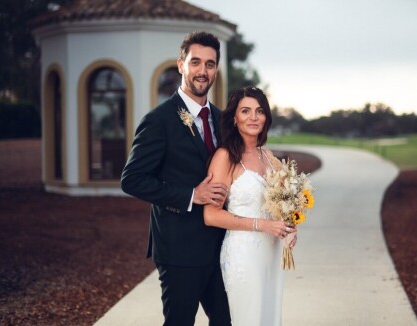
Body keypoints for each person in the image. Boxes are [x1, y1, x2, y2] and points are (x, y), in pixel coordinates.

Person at [121, 31, 231, 326]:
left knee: (226, 321)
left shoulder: (223, 120)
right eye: (196, 62)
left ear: (216, 69)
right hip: (179, 247)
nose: (202, 71)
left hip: (221, 246)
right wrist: (191, 195)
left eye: (210, 64)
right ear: (181, 64)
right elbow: (132, 179)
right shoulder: (159, 120)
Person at [204, 86, 297, 326]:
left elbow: (283, 203)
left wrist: (290, 225)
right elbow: (211, 215)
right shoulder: (225, 157)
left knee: (268, 317)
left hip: (272, 254)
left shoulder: (268, 156)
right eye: (246, 111)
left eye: (259, 111)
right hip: (244, 254)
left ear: (266, 117)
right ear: (234, 118)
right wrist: (262, 224)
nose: (253, 117)